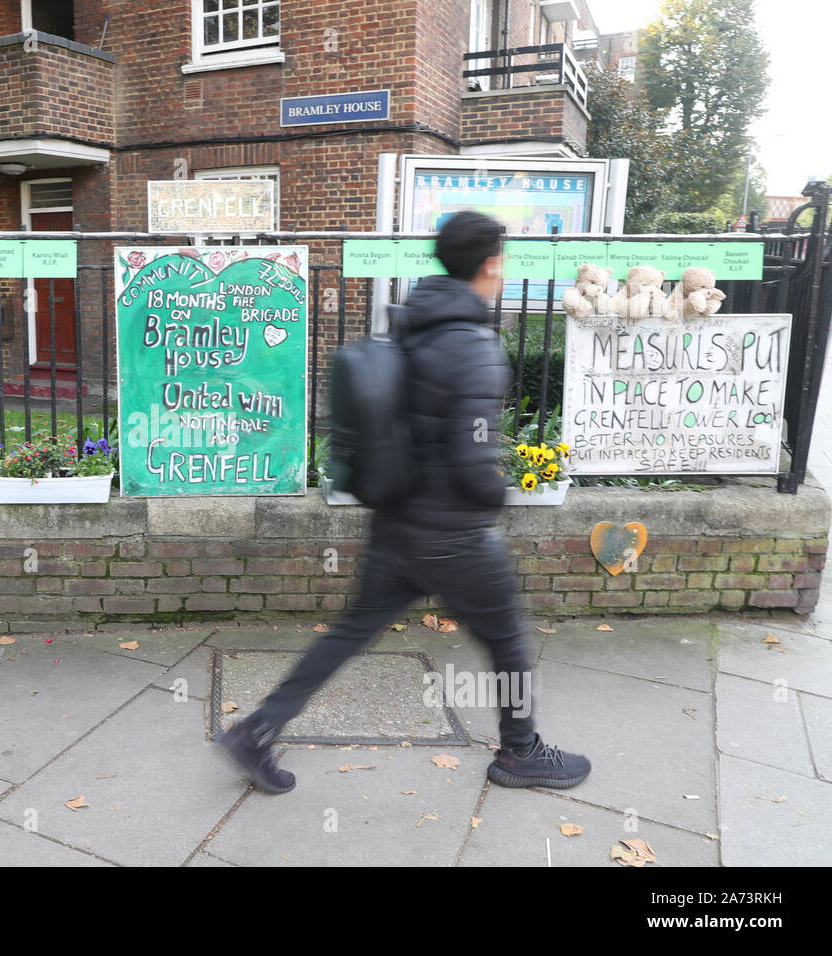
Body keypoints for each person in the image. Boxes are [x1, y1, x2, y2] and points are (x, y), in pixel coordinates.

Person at [218, 210, 591, 793]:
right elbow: (472, 458)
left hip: (395, 522)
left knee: (351, 631)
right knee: (509, 639)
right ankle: (521, 752)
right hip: (454, 535)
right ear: (491, 264)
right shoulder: (474, 347)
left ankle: (256, 731)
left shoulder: (410, 328)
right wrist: (500, 491)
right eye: (503, 261)